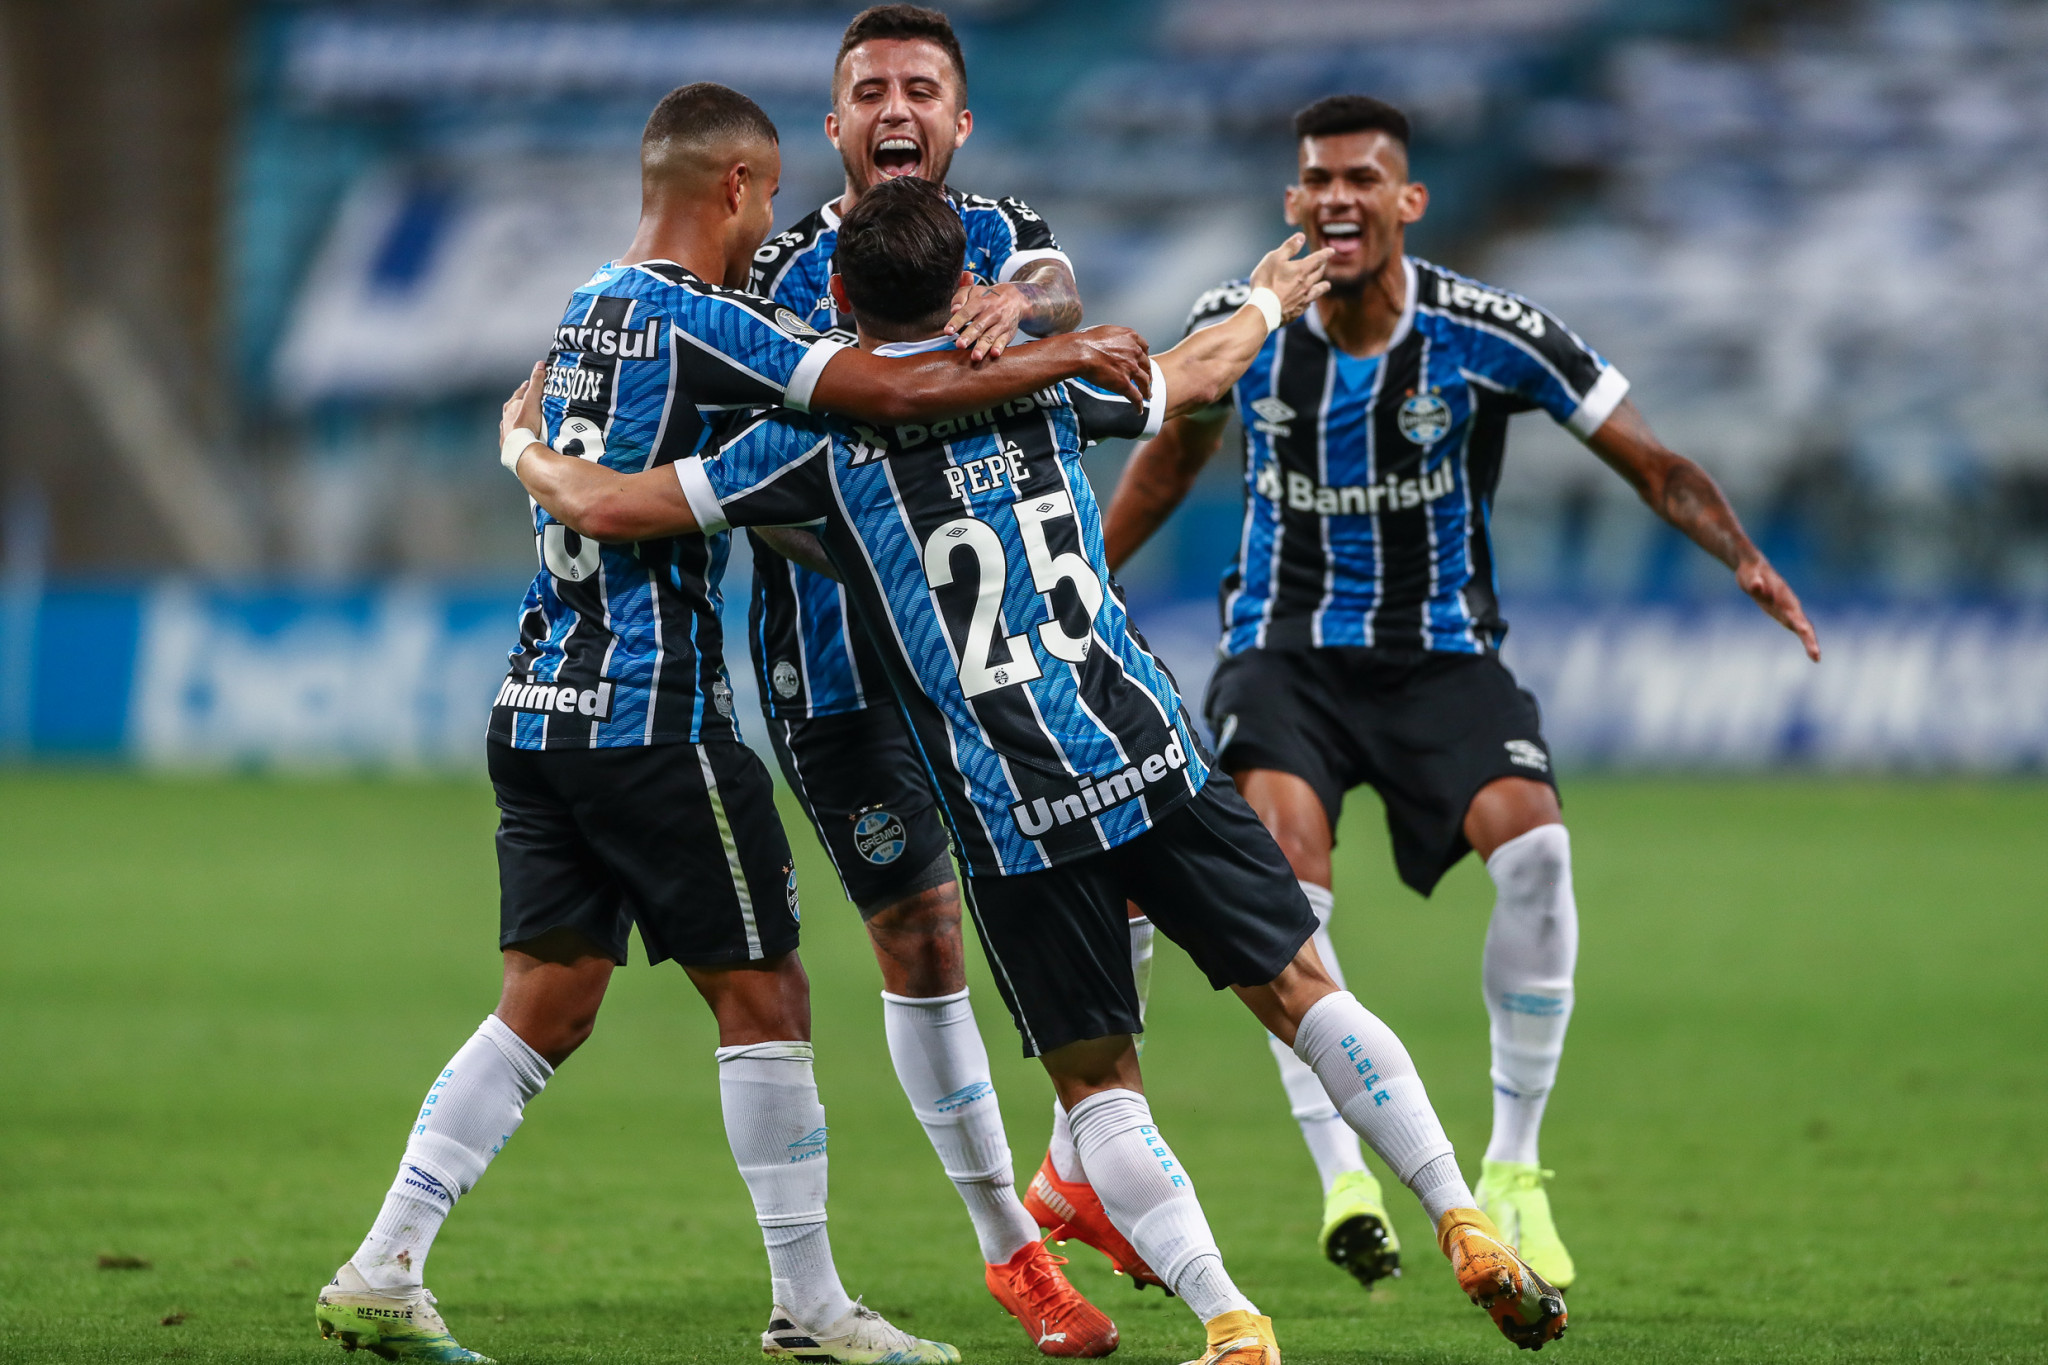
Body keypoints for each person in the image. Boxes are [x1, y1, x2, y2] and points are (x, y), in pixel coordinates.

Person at [501, 175, 1570, 1362]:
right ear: (967, 285)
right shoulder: (1050, 381)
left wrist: (525, 448)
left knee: (1096, 1086)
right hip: (1147, 751)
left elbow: (609, 506)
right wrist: (1267, 302)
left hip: (1012, 810)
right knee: (1303, 992)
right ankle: (1460, 1216)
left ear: (838, 295)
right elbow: (1199, 370)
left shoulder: (809, 446)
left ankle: (1229, 1318)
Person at [314, 83, 1151, 1365]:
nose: (767, 232)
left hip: (538, 703)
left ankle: (381, 1267)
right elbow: (885, 394)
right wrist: (1068, 354)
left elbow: (593, 461)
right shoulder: (700, 319)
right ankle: (807, 1305)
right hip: (653, 717)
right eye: (761, 206)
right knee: (766, 994)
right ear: (736, 188)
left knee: (546, 1001)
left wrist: (519, 456)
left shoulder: (585, 311)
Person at [1099, 94, 1822, 1294]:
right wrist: (1081, 579)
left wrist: (1741, 557)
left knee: (1535, 853)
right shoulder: (1239, 324)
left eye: (1361, 179)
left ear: (1407, 200)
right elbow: (1168, 461)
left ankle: (1514, 1171)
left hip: (1439, 654)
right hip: (1283, 650)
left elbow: (1647, 461)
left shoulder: (1490, 331)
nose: (1337, 198)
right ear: (1292, 199)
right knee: (1286, 890)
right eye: (1318, 179)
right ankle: (1344, 1177)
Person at [740, 8, 1112, 1354]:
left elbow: (1058, 278)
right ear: (834, 125)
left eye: (919, 89)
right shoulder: (774, 278)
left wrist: (1028, 310)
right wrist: (873, 536)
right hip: (841, 670)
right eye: (868, 91)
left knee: (1118, 875)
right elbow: (750, 479)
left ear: (958, 122)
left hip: (999, 657)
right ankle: (1014, 1246)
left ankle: (1081, 1160)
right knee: (922, 937)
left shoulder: (1000, 240)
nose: (893, 109)